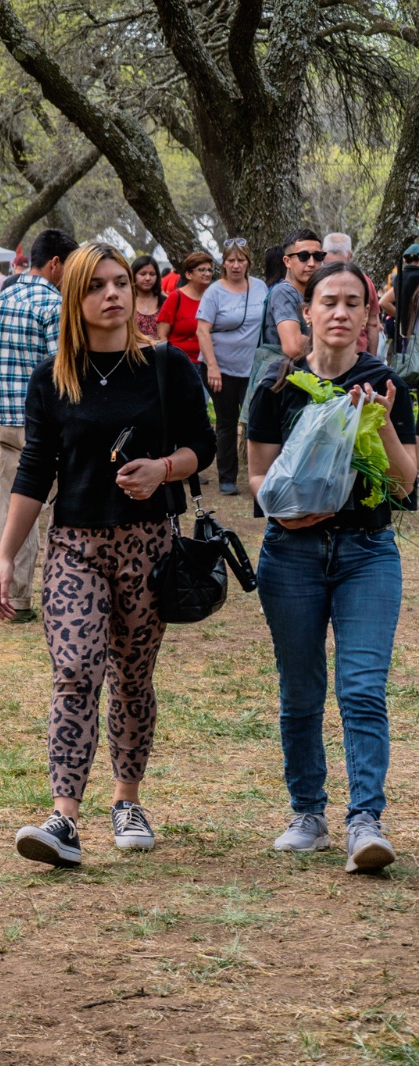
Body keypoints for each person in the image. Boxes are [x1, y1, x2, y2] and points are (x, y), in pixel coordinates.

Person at [0, 243, 216, 868]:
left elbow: (204, 443)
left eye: (121, 283)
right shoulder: (53, 378)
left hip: (149, 544)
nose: (113, 294)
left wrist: (164, 468)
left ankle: (127, 799)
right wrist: (8, 556)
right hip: (75, 546)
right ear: (75, 299)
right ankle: (63, 819)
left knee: (132, 677)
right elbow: (35, 471)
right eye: (97, 286)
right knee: (75, 671)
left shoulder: (167, 366)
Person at [247, 261, 417, 872]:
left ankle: (365, 821)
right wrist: (289, 513)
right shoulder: (276, 383)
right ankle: (308, 814)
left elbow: (405, 486)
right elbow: (259, 479)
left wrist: (381, 420)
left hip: (367, 555)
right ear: (307, 311)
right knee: (301, 688)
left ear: (369, 315)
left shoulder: (384, 380)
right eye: (329, 302)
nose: (341, 312)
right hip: (290, 556)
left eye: (354, 303)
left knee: (364, 687)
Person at [0, 227, 78, 623]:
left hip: (6, 422)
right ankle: (65, 594)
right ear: (56, 264)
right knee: (64, 513)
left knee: (14, 516)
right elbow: (64, 373)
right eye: (70, 267)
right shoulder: (56, 306)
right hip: (48, 427)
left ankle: (17, 599)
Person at [197, 240, 269, 495]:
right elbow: (202, 330)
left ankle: (259, 476)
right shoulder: (214, 292)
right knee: (226, 422)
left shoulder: (260, 287)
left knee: (256, 421)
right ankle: (227, 477)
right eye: (231, 260)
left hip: (253, 369)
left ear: (248, 262)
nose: (236, 265)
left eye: (241, 260)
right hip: (221, 369)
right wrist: (213, 368)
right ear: (223, 263)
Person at [262, 229, 323, 361]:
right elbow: (293, 346)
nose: (312, 263)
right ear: (287, 261)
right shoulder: (283, 292)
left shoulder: (316, 293)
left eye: (318, 256)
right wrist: (330, 342)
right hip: (284, 376)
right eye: (303, 256)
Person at [322, 232, 382, 354]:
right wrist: (372, 360)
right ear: (350, 254)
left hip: (322, 355)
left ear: (323, 252)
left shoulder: (316, 280)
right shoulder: (364, 281)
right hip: (357, 354)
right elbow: (373, 324)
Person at [156, 251, 212, 362]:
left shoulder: (213, 298)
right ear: (188, 274)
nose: (207, 273)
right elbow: (161, 336)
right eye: (202, 270)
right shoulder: (175, 297)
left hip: (208, 365)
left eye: (209, 270)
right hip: (180, 364)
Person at [130, 254, 163, 340]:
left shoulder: (165, 302)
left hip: (161, 351)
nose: (148, 278)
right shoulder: (126, 302)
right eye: (142, 274)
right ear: (133, 275)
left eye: (152, 274)